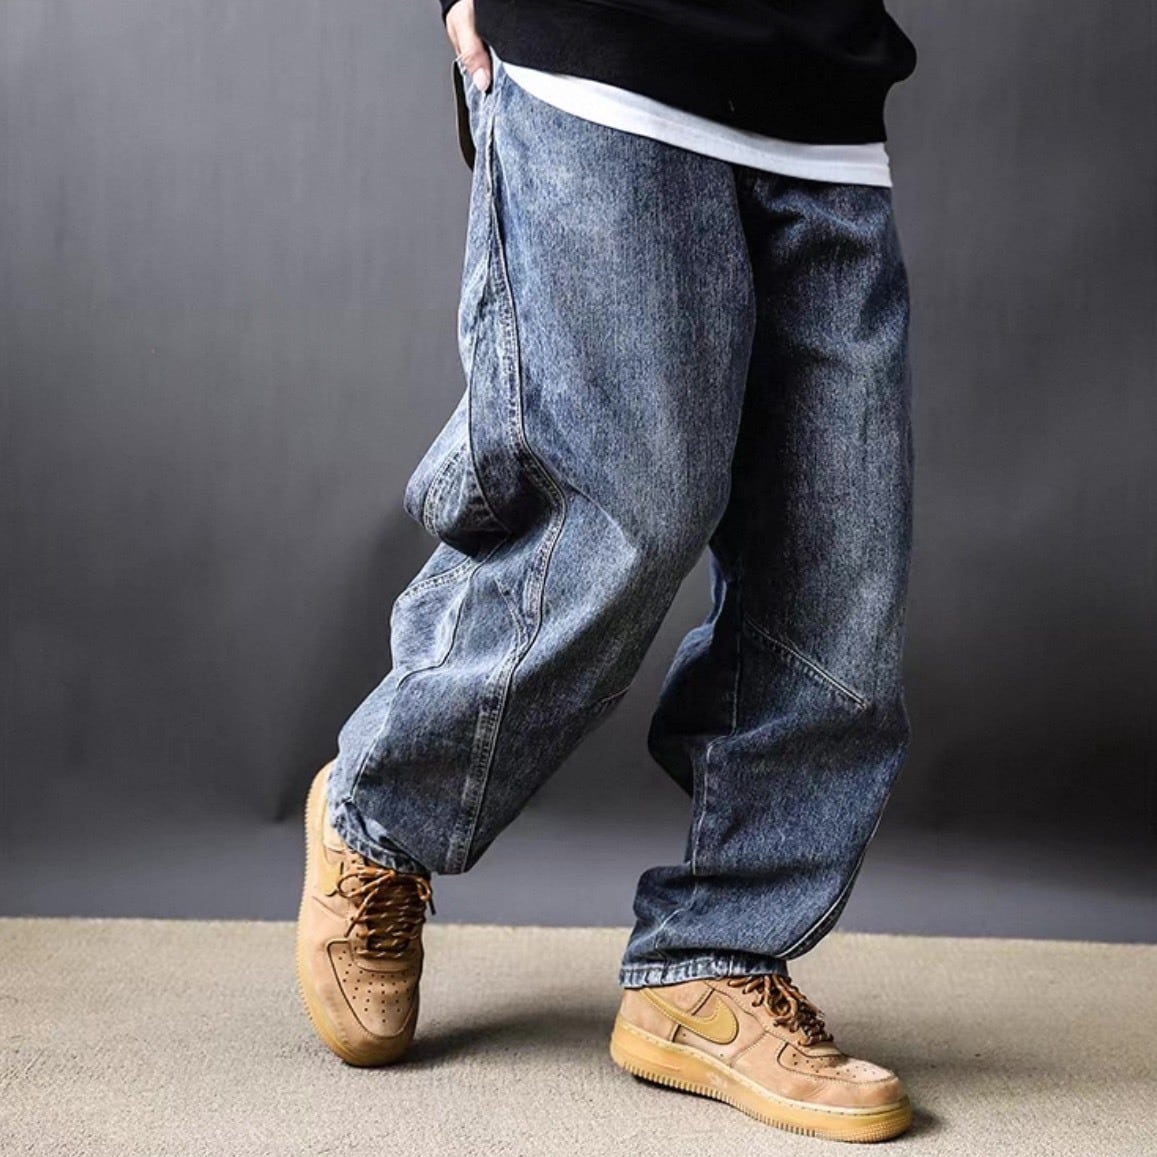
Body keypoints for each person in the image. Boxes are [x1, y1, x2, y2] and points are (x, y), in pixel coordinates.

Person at [296, 0, 918, 1142]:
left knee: (839, 570)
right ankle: (378, 811)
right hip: (604, 50)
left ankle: (714, 960)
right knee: (619, 510)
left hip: (820, 82)